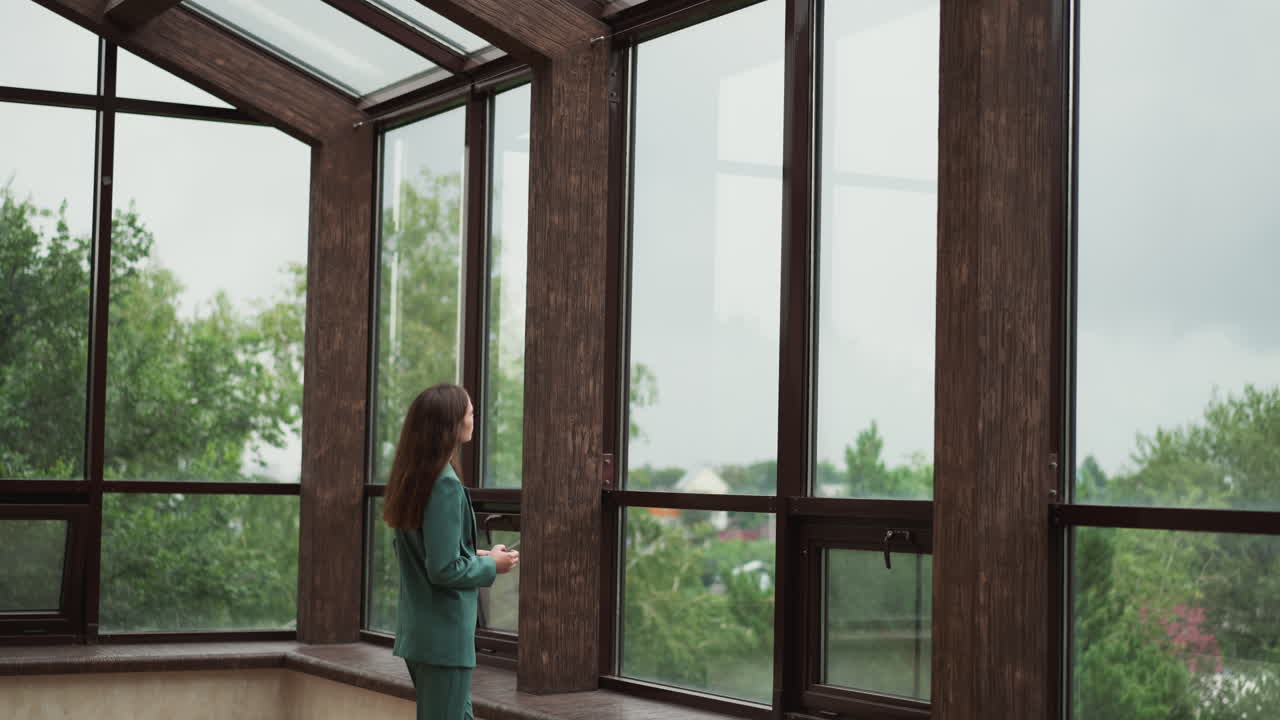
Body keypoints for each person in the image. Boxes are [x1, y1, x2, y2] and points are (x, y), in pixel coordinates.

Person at [383, 383, 519, 720]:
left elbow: (422, 549)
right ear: (452, 424)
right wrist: (493, 568)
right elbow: (442, 569)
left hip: (423, 635)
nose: (475, 417)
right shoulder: (444, 484)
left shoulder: (414, 478)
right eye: (470, 412)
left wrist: (483, 555)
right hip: (442, 639)